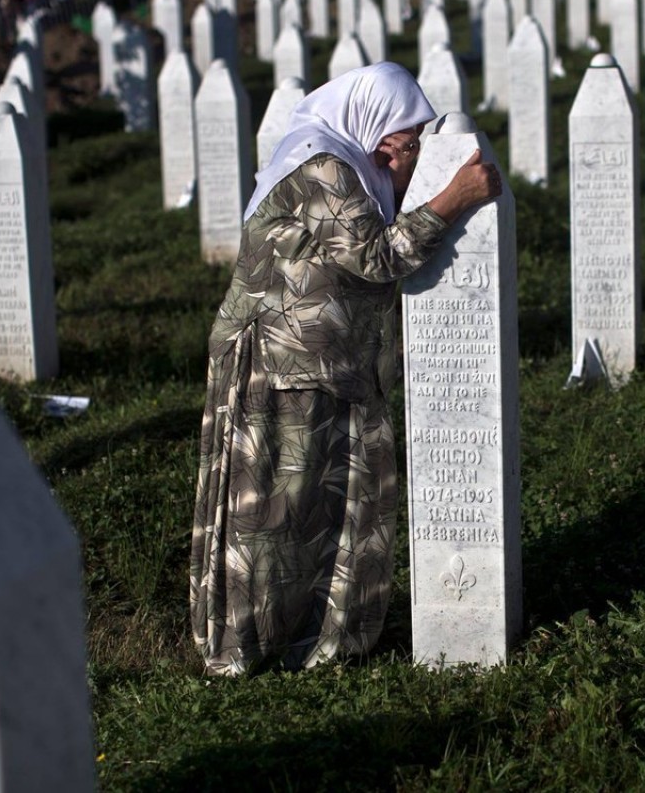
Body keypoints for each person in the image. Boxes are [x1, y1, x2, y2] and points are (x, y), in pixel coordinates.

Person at [190, 63, 501, 674]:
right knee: (275, 512)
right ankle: (247, 648)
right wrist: (452, 198)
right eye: (408, 144)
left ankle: (313, 637)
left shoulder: (352, 165)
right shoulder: (322, 165)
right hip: (278, 361)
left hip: (328, 359)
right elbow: (375, 256)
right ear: (378, 131)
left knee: (323, 509)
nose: (407, 159)